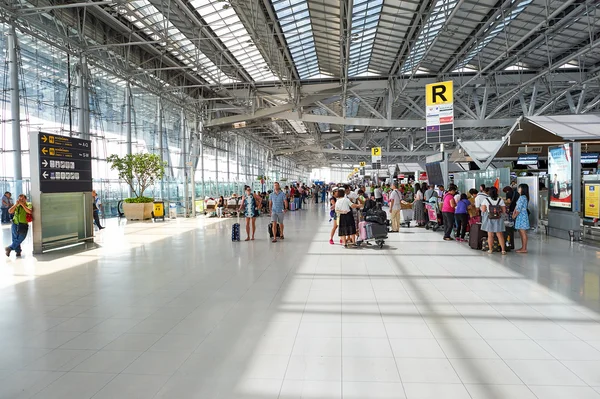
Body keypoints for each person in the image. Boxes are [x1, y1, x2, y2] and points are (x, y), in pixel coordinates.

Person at [480, 186, 507, 254]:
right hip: (498, 218)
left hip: (489, 218)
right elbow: (504, 210)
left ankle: (490, 249)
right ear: (497, 192)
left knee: (490, 235)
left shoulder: (486, 200)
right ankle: (503, 250)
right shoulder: (500, 200)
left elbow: (483, 210)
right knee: (500, 234)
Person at [513, 183, 530, 253]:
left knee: (523, 233)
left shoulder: (522, 197)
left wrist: (514, 216)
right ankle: (523, 247)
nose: (518, 189)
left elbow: (518, 209)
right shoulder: (523, 197)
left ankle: (524, 248)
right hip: (521, 216)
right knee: (521, 232)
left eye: (519, 188)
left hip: (521, 216)